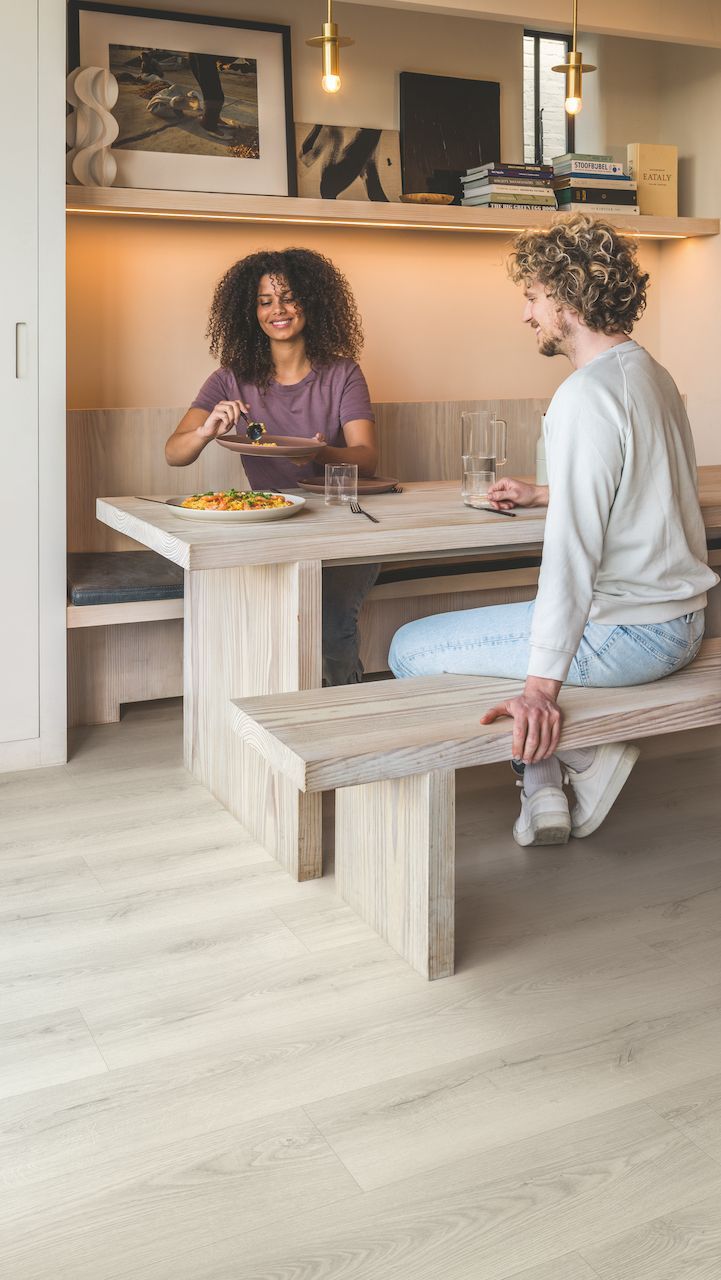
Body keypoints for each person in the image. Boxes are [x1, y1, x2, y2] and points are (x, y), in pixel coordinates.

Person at [389, 213, 718, 846]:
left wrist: (541, 688)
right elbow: (643, 488)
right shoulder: (648, 373)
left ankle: (581, 759)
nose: (526, 314)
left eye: (533, 296)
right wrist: (544, 492)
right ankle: (542, 783)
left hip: (631, 635)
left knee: (409, 647)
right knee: (512, 635)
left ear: (568, 297)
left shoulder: (583, 395)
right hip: (683, 620)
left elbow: (572, 554)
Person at [166, 247, 380, 686]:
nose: (277, 310)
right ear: (252, 310)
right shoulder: (229, 379)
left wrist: (321, 455)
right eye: (265, 300)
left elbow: (366, 456)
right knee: (260, 617)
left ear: (312, 303)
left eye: (289, 297)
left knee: (331, 620)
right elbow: (175, 452)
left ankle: (340, 702)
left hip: (344, 521)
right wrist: (207, 430)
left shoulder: (343, 373)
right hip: (270, 523)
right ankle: (277, 711)